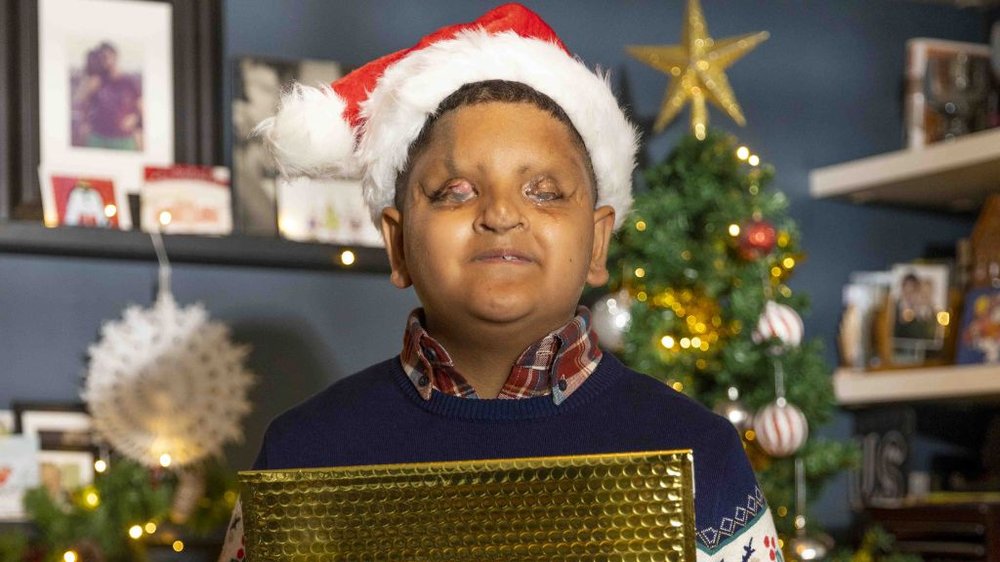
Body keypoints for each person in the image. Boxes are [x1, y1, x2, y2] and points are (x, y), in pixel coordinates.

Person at [219, 5, 778, 561]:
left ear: (598, 243)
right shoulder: (302, 454)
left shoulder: (699, 452)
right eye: (455, 192)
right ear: (397, 245)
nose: (501, 214)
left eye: (544, 191)